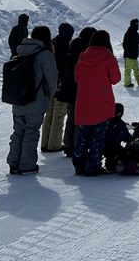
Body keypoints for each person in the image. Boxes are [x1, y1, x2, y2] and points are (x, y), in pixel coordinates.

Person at [6, 24, 57, 175]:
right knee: (31, 132)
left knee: (18, 132)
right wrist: (49, 96)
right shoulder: (45, 55)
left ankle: (14, 163)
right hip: (36, 100)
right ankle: (27, 165)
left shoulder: (20, 51)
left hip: (18, 99)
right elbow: (52, 80)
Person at [73, 30, 121, 176]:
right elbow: (116, 78)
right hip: (102, 101)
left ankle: (79, 163)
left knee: (83, 134)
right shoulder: (108, 57)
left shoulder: (83, 56)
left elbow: (77, 77)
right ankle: (93, 165)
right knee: (98, 136)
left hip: (84, 100)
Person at [60, 26, 95, 157]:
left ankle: (68, 144)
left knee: (71, 117)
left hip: (69, 87)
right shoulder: (87, 50)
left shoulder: (72, 47)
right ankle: (76, 145)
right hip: (82, 88)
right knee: (81, 119)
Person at [40, 22, 73, 153]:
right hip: (61, 85)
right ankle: (54, 144)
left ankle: (45, 143)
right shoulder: (67, 46)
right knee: (59, 115)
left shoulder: (51, 44)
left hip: (49, 84)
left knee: (49, 114)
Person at [103, 102, 133, 172]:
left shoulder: (104, 121)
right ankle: (112, 164)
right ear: (120, 113)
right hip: (113, 148)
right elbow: (127, 138)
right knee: (120, 150)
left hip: (100, 146)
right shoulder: (120, 124)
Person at [121, 18, 139, 88]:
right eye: (136, 24)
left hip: (134, 55)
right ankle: (127, 83)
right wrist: (129, 51)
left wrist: (135, 52)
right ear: (133, 24)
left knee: (137, 69)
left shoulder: (136, 33)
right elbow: (125, 44)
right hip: (129, 55)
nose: (138, 25)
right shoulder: (129, 33)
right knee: (128, 70)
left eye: (138, 24)